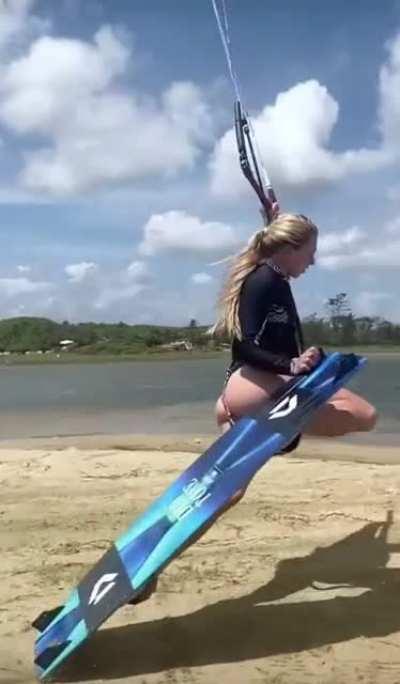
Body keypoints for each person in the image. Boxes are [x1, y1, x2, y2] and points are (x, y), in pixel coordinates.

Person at [213, 213, 377, 438]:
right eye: (310, 253)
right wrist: (291, 364)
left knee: (363, 413)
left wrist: (304, 358)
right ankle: (266, 424)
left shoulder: (275, 279)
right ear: (290, 250)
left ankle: (248, 422)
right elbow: (244, 347)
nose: (312, 261)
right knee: (364, 414)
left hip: (255, 387)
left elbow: (272, 340)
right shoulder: (263, 280)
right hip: (253, 385)